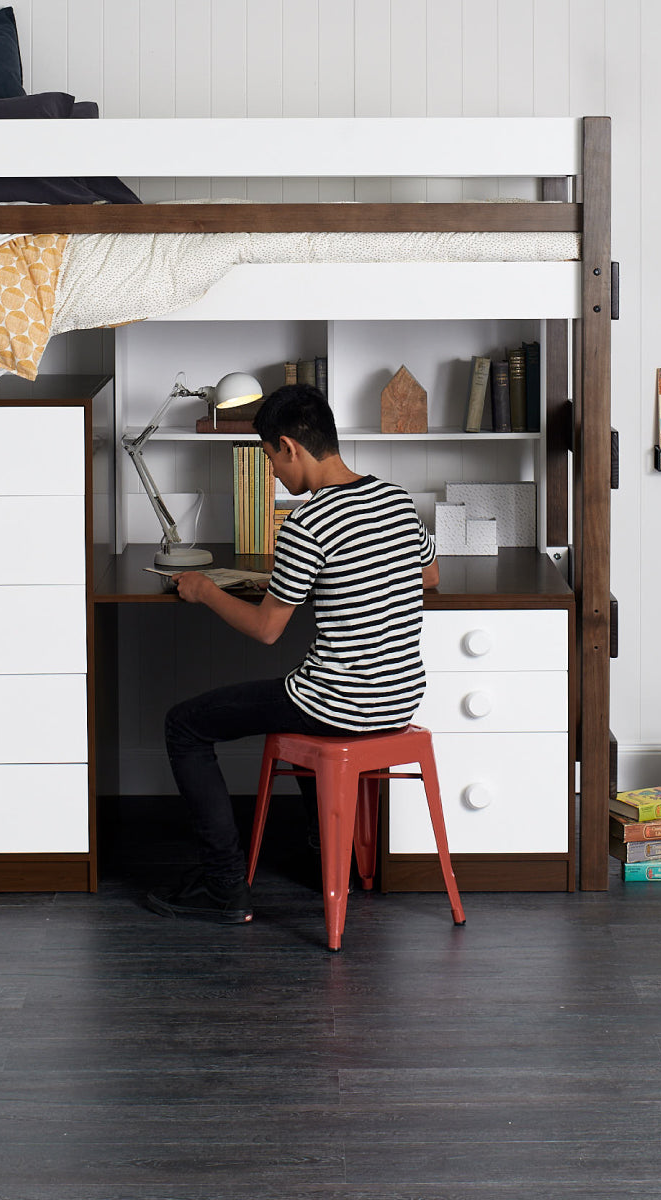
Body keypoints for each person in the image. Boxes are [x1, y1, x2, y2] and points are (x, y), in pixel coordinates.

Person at [145, 383, 439, 923]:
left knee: (184, 725)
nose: (275, 475)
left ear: (289, 446)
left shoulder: (308, 524)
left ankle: (223, 886)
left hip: (340, 703)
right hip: (399, 699)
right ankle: (322, 854)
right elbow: (430, 573)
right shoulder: (396, 498)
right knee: (302, 692)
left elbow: (266, 630)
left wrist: (205, 590)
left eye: (271, 461)